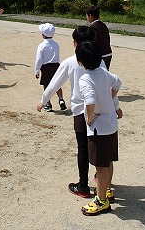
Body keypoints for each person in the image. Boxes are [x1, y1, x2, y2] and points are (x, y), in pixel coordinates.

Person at [36, 26, 117, 199]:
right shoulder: (99, 62)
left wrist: (43, 101)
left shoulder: (70, 62)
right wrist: (116, 106)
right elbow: (109, 86)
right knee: (101, 149)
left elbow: (54, 84)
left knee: (83, 148)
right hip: (101, 111)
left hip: (82, 112)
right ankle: (104, 183)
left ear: (75, 43)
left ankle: (83, 185)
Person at [76, 41, 122, 216]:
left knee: (100, 166)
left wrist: (88, 117)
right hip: (111, 124)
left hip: (99, 129)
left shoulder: (85, 78)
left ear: (81, 61)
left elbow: (89, 100)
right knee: (108, 160)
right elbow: (117, 83)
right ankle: (107, 190)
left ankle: (101, 200)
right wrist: (110, 99)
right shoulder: (103, 72)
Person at [35, 23, 66, 112]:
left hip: (46, 67)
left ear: (43, 35)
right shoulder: (56, 44)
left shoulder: (42, 45)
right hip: (56, 66)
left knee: (46, 85)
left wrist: (37, 70)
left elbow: (39, 59)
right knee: (57, 84)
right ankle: (61, 99)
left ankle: (48, 104)